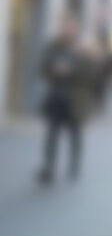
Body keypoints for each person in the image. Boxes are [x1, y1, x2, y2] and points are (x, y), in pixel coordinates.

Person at [36, 17, 89, 184]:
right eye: (65, 27)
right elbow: (42, 68)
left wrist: (72, 70)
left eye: (70, 27)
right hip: (56, 97)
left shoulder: (81, 48)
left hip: (75, 99)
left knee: (75, 134)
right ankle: (49, 167)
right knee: (52, 134)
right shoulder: (54, 46)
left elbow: (91, 73)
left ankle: (74, 164)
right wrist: (55, 70)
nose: (67, 30)